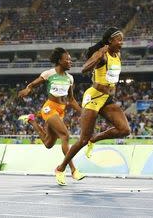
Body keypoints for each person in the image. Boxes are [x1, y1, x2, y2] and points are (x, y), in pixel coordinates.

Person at [54, 27, 131, 185]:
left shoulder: (118, 54)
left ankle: (94, 140)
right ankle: (61, 168)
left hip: (107, 98)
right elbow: (84, 69)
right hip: (93, 97)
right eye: (119, 40)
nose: (122, 43)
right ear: (110, 41)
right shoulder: (102, 55)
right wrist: (98, 55)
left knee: (124, 130)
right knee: (82, 139)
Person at [18, 47, 85, 182]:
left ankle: (32, 121)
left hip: (60, 110)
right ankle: (70, 170)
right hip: (49, 108)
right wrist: (27, 89)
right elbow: (33, 84)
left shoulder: (70, 78)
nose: (70, 62)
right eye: (68, 59)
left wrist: (84, 112)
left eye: (71, 60)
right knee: (65, 135)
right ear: (60, 61)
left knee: (48, 143)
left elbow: (71, 100)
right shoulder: (49, 74)